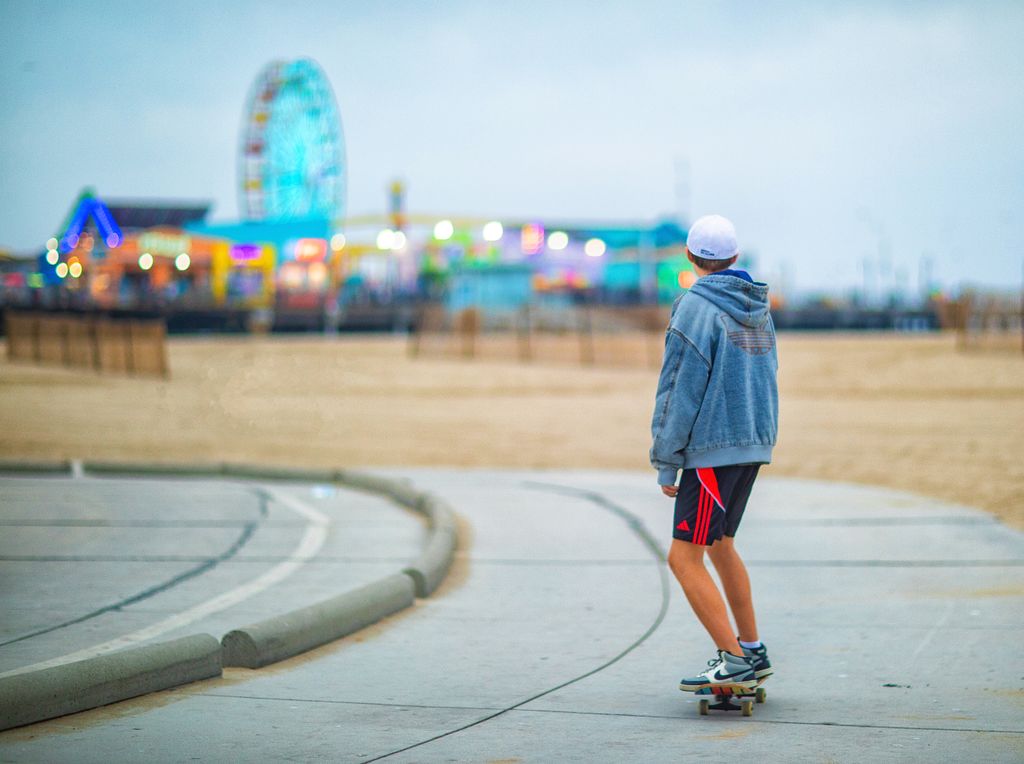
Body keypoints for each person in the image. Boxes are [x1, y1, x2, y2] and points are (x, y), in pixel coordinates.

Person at [649, 214, 778, 692]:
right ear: (736, 258)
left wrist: (667, 458)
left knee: (684, 558)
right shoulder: (758, 306)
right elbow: (767, 376)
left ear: (690, 257)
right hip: (752, 444)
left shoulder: (694, 306)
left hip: (712, 452)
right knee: (720, 546)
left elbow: (677, 388)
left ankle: (734, 659)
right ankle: (752, 648)